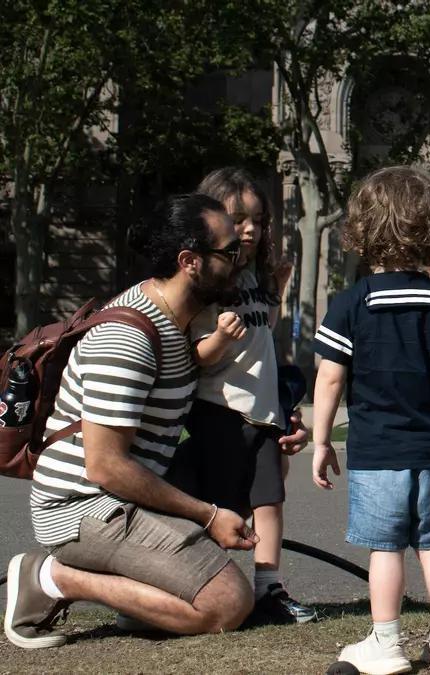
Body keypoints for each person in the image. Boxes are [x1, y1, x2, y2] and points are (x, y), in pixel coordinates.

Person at [7, 195, 256, 649]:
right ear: (190, 262)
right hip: (82, 507)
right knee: (226, 602)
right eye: (229, 252)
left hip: (121, 499)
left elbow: (178, 382)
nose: (241, 258)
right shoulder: (127, 337)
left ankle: (135, 596)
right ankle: (50, 577)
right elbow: (105, 466)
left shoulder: (174, 321)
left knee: (220, 590)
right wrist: (209, 514)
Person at [311, 165, 430, 673]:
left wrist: (320, 440)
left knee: (385, 550)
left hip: (377, 450)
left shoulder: (351, 305)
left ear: (363, 231)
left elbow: (331, 380)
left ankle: (386, 643)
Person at [163, 167, 314, 624]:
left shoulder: (250, 277)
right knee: (226, 504)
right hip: (221, 411)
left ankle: (270, 587)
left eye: (259, 220)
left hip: (261, 412)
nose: (250, 229)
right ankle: (200, 585)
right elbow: (197, 357)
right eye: (239, 218)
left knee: (269, 498)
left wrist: (278, 292)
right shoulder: (209, 280)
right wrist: (220, 341)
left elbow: (262, 336)